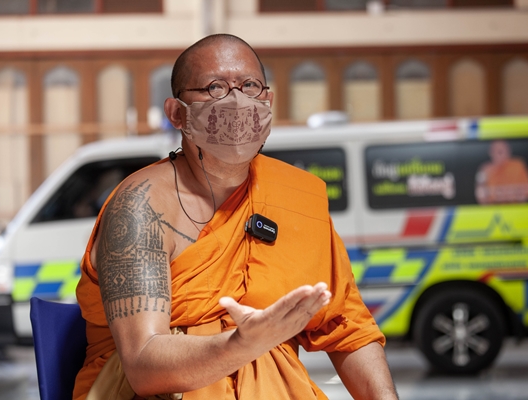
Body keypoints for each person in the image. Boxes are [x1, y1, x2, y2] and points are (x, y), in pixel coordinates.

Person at [74, 34, 398, 400]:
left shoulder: (296, 195)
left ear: (268, 101)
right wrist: (242, 344)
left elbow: (346, 327)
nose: (237, 101)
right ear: (177, 113)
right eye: (215, 88)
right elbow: (143, 365)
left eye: (249, 86)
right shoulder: (141, 208)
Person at [475, 139, 528, 204]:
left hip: (515, 208)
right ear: (490, 153)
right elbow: (480, 195)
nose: (499, 154)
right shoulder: (484, 169)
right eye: (495, 151)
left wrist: (501, 194)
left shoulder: (518, 165)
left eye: (501, 151)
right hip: (494, 209)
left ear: (508, 151)